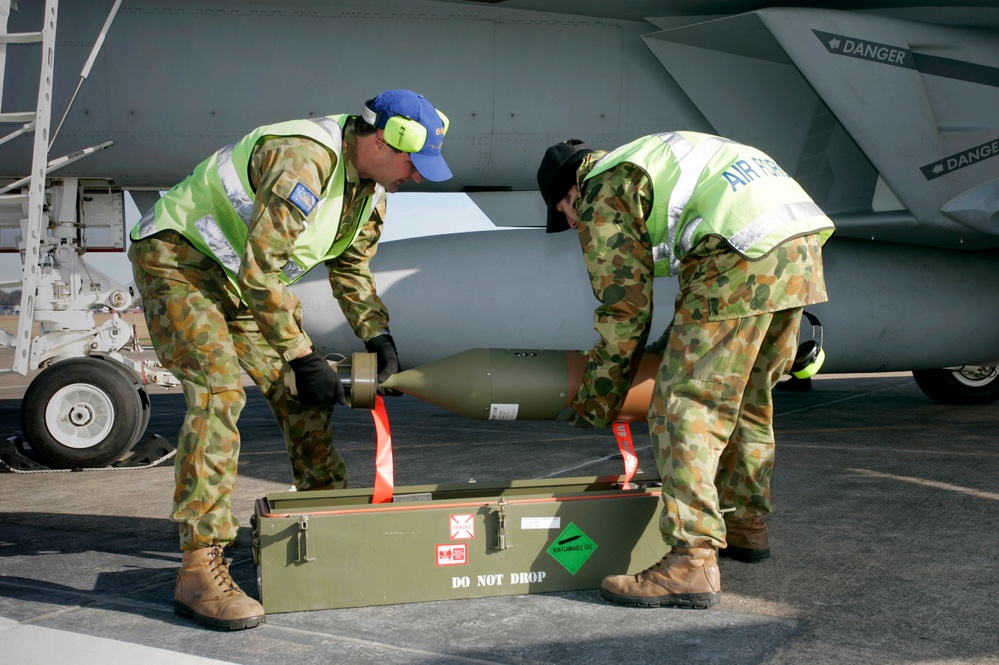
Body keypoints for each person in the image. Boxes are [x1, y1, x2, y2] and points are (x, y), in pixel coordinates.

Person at [129, 89, 452, 630]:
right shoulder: (304, 158)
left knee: (302, 393)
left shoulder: (371, 191)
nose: (416, 176)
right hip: (179, 262)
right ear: (379, 140)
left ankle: (325, 520)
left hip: (238, 285)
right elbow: (262, 273)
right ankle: (198, 569)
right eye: (411, 163)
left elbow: (351, 270)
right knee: (219, 392)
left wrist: (379, 337)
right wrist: (302, 354)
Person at [537, 133, 834, 609]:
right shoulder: (647, 159)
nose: (575, 227)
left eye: (568, 218)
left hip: (740, 256)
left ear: (570, 193)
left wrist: (596, 401)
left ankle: (690, 562)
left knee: (684, 405)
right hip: (797, 251)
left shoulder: (602, 188)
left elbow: (624, 314)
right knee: (749, 397)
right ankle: (745, 524)